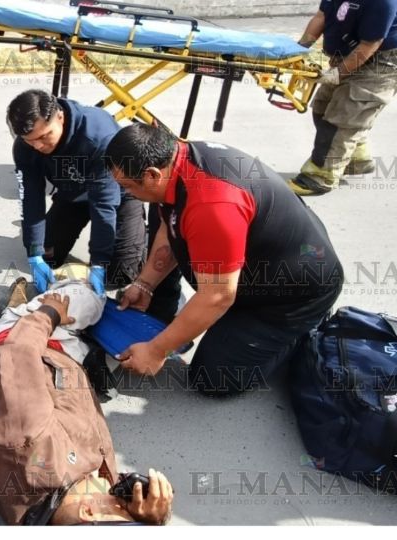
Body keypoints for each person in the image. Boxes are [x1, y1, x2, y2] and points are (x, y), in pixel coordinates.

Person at [103, 124, 345, 396]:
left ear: (152, 174)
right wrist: (145, 283)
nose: (127, 194)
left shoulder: (211, 204)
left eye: (127, 186)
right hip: (259, 267)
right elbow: (169, 225)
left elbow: (218, 297)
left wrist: (156, 351)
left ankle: (305, 330)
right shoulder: (176, 161)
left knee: (214, 379)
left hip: (293, 294)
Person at [0, 281, 174, 525]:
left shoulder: (31, 439)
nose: (127, 507)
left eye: (124, 512)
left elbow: (18, 353)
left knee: (90, 294)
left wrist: (50, 313)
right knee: (125, 355)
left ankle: (21, 306)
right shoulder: (74, 503)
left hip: (28, 339)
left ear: (89, 511)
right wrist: (155, 519)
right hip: (71, 373)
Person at [6, 89, 180, 322]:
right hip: (73, 193)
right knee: (48, 255)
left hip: (119, 194)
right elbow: (31, 198)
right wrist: (34, 252)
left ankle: (141, 239)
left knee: (119, 273)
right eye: (31, 140)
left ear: (59, 116)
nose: (38, 146)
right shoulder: (25, 147)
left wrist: (99, 262)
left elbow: (104, 204)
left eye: (44, 136)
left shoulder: (97, 135)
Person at [289, 0, 397, 196]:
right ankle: (357, 158)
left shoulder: (383, 2)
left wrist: (338, 74)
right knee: (322, 107)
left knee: (343, 117)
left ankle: (319, 176)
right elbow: (321, 16)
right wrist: (299, 50)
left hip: (380, 63)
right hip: (347, 54)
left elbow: (370, 44)